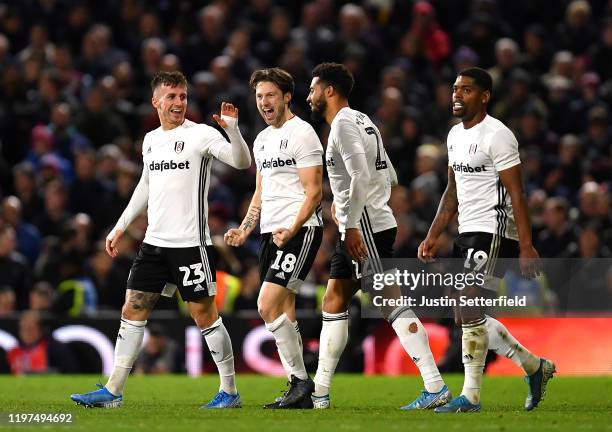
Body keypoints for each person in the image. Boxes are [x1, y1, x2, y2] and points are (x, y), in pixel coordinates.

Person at [70, 71, 251, 409]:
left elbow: (242, 162)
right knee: (133, 308)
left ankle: (230, 391)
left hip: (190, 245)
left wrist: (233, 130)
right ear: (156, 101)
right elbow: (145, 186)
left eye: (182, 96)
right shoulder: (150, 140)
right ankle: (114, 391)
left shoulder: (200, 135)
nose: (178, 103)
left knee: (204, 315)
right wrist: (120, 227)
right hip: (154, 244)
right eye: (171, 97)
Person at [306, 62, 451, 410]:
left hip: (364, 226)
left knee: (389, 301)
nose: (309, 96)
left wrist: (352, 218)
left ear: (329, 90)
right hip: (363, 222)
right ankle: (319, 393)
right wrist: (351, 209)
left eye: (313, 89)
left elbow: (359, 177)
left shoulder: (341, 125)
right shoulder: (364, 121)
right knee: (334, 301)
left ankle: (435, 385)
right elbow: (392, 175)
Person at [418, 67, 555, 413]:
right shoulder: (453, 136)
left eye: (466, 90)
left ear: (484, 96)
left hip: (494, 231)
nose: (456, 95)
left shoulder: (498, 135)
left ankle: (471, 397)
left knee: (468, 307)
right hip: (467, 232)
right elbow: (452, 191)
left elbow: (517, 193)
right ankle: (534, 366)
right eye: (454, 89)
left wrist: (526, 245)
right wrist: (434, 234)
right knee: (465, 315)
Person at [224, 68, 323, 409]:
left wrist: (293, 229)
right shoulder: (263, 139)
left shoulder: (303, 134)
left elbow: (314, 193)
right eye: (259, 96)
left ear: (286, 97)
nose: (263, 102)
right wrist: (245, 227)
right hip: (271, 232)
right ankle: (300, 391)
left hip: (301, 230)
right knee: (285, 311)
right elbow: (261, 192)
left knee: (266, 305)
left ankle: (301, 382)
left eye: (269, 95)